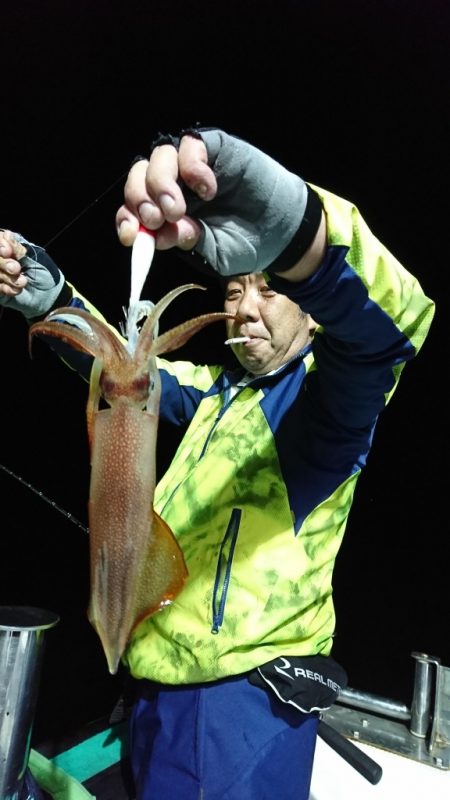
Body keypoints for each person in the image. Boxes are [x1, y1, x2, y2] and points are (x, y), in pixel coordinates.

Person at [0, 128, 435, 800]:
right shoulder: (217, 392)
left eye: (273, 290)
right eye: (236, 292)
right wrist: (51, 298)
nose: (248, 310)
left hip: (239, 711)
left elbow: (393, 331)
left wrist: (303, 240)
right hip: (151, 694)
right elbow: (127, 375)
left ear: (313, 314)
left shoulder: (325, 409)